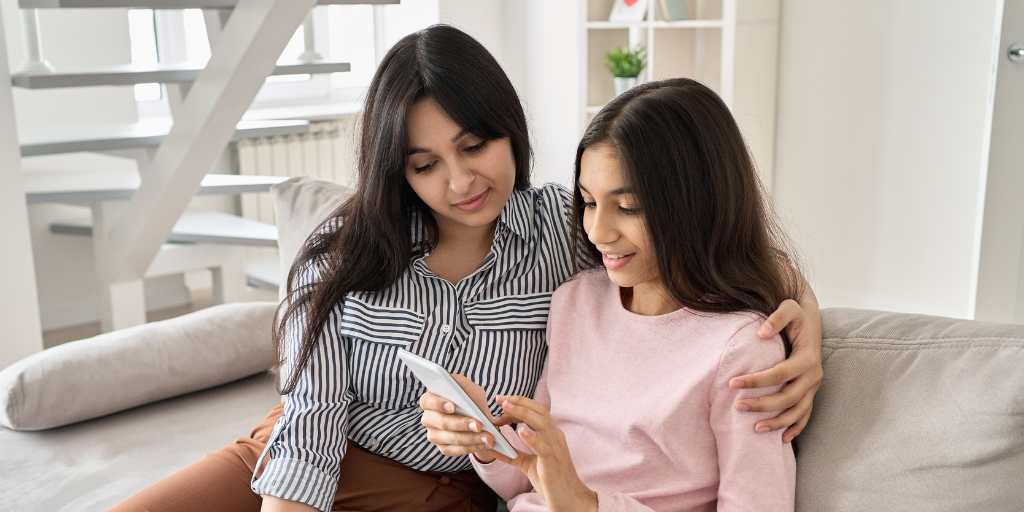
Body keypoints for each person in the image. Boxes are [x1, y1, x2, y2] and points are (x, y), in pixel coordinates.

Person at [111, 26, 821, 512]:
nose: (460, 182)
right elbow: (310, 430)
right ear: (397, 169)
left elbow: (708, 245)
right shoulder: (344, 253)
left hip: (454, 491)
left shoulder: (560, 231)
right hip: (315, 453)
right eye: (424, 164)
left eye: (475, 144)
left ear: (509, 127)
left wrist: (805, 335)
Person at [420, 77, 802, 510]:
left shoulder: (741, 350)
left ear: (697, 203)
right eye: (588, 202)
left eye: (628, 207)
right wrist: (485, 438)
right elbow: (522, 478)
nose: (598, 232)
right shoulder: (576, 301)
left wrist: (585, 503)